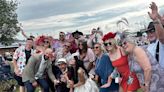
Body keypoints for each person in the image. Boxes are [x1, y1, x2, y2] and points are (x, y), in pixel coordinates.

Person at [147, 2, 164, 69]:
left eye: (152, 31)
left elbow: (162, 37)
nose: (150, 34)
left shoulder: (160, 42)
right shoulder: (148, 46)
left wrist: (155, 20)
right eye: (148, 32)